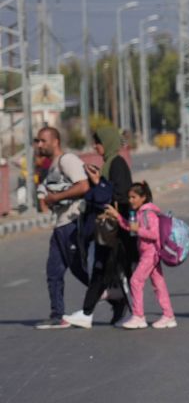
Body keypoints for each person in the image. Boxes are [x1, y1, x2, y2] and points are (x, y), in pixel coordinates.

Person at [66, 125, 134, 328]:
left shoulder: (117, 164)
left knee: (105, 270)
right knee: (108, 272)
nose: (96, 147)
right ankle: (121, 308)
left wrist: (99, 183)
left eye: (99, 143)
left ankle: (88, 313)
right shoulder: (110, 164)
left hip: (116, 229)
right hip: (109, 228)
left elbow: (120, 194)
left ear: (108, 143)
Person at [34, 127, 91, 329]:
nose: (39, 145)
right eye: (37, 141)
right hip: (60, 225)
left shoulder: (68, 160)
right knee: (53, 272)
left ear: (55, 141)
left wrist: (56, 197)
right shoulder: (51, 167)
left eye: (43, 141)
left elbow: (84, 186)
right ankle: (57, 314)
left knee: (80, 270)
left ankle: (114, 294)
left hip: (72, 223)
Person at [106, 181, 176, 329]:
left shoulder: (148, 213)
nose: (130, 200)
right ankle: (168, 315)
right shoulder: (139, 213)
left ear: (143, 197)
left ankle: (138, 316)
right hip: (148, 253)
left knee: (135, 281)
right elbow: (130, 227)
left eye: (134, 197)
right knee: (159, 284)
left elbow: (154, 234)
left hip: (151, 253)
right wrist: (117, 216)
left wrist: (138, 230)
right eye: (129, 197)